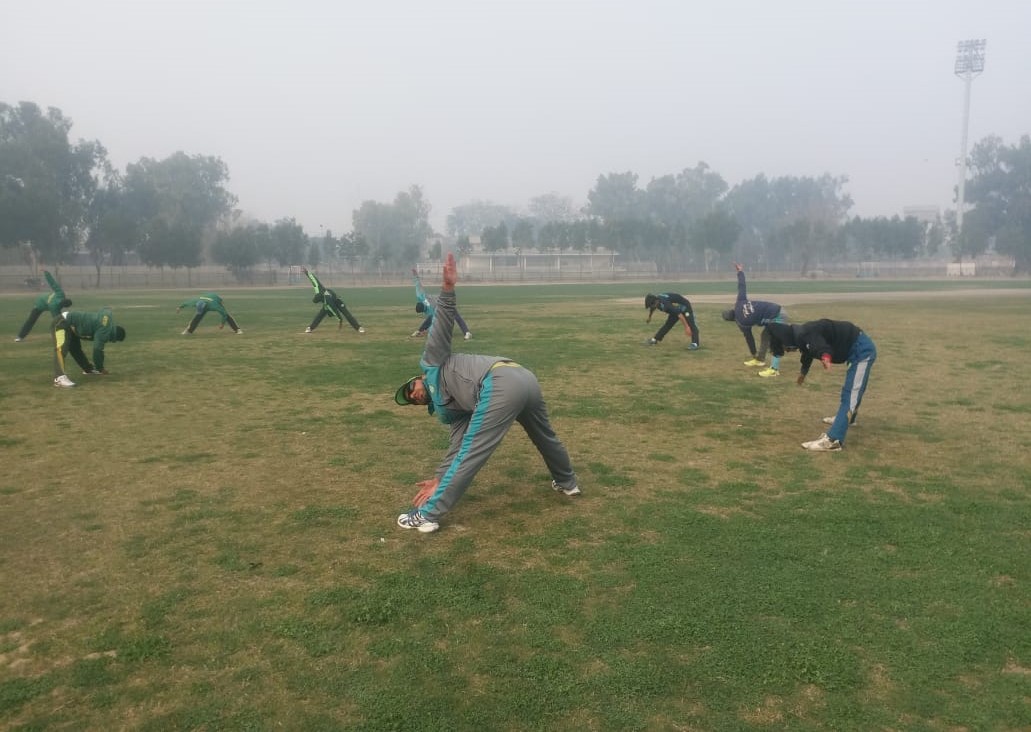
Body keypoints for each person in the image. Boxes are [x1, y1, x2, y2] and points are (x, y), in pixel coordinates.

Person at [393, 252, 580, 533]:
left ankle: (427, 515)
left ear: (417, 379)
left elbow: (441, 326)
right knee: (544, 437)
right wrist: (439, 479)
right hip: (523, 378)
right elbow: (456, 448)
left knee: (475, 452)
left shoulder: (431, 364)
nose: (414, 396)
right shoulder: (449, 411)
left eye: (411, 389)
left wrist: (447, 289)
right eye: (412, 401)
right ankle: (568, 483)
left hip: (501, 380)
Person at [765, 319, 876, 452]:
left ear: (785, 340)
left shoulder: (805, 334)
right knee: (853, 391)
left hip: (861, 351)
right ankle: (848, 419)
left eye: (786, 348)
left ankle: (833, 441)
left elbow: (818, 345)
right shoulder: (800, 335)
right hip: (856, 346)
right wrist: (803, 373)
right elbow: (808, 352)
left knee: (851, 393)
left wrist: (825, 356)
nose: (788, 351)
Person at [721, 263, 787, 377]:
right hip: (776, 310)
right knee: (765, 335)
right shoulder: (739, 303)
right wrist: (740, 271)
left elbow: (749, 338)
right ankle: (760, 360)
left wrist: (752, 352)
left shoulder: (741, 322)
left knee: (775, 341)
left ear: (731, 320)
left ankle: (774, 369)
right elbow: (742, 286)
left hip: (777, 315)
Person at [50, 307, 126, 388]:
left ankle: (88, 369)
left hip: (71, 327)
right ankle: (59, 378)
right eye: (113, 340)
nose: (110, 341)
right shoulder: (104, 332)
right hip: (61, 322)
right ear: (114, 337)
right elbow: (97, 350)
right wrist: (100, 368)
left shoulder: (107, 320)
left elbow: (106, 310)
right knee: (61, 349)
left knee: (76, 350)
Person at [410, 268, 471, 340]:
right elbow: (418, 285)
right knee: (432, 319)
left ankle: (467, 332)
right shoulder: (421, 296)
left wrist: (428, 331)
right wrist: (415, 275)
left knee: (456, 316)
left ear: (423, 310)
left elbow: (434, 323)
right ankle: (419, 331)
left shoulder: (431, 309)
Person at [302, 268, 365, 334]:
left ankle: (359, 328)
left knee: (347, 315)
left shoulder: (328, 302)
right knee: (319, 316)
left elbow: (334, 310)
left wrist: (340, 320)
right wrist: (307, 273)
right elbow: (314, 280)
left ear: (320, 299)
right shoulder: (318, 290)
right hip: (329, 303)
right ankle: (310, 328)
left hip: (338, 301)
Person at [15, 270, 72, 342]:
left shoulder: (61, 293)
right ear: (64, 306)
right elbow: (57, 320)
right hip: (39, 304)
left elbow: (53, 283)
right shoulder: (54, 307)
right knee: (31, 320)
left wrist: (47, 273)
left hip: (43, 296)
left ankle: (19, 337)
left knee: (60, 320)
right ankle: (20, 336)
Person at [177, 292, 242, 334]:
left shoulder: (215, 306)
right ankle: (189, 331)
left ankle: (237, 329)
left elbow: (224, 314)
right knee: (197, 317)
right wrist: (179, 307)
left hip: (215, 298)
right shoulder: (195, 301)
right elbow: (186, 303)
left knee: (226, 314)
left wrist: (222, 324)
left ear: (204, 307)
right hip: (206, 298)